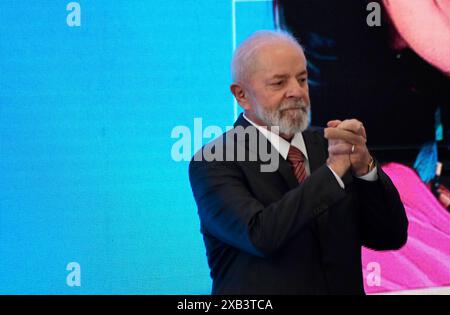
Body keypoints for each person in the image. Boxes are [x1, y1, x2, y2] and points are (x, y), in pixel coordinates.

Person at [188, 30, 408, 294]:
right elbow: (260, 236)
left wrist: (365, 169)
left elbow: (390, 235)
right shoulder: (215, 160)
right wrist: (333, 172)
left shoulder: (330, 145)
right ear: (241, 95)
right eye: (279, 83)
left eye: (302, 79)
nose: (296, 91)